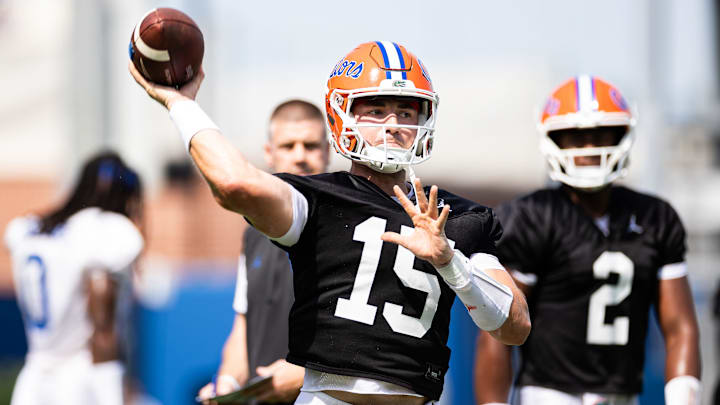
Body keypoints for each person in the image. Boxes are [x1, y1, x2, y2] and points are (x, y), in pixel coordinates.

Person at [130, 41, 530, 405]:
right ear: (342, 114)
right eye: (375, 110)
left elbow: (515, 328)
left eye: (406, 110)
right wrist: (180, 104)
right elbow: (234, 185)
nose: (393, 123)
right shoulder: (319, 198)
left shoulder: (454, 216)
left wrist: (450, 263)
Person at [474, 75, 701, 405]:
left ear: (622, 135)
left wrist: (685, 398)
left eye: (600, 135)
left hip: (623, 396)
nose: (590, 148)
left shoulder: (656, 218)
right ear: (554, 141)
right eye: (576, 137)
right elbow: (498, 328)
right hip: (549, 395)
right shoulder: (533, 216)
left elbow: (680, 326)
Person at [197, 99, 331, 404]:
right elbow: (244, 327)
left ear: (327, 151)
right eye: (288, 146)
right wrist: (227, 384)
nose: (300, 157)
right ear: (269, 154)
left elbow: (369, 340)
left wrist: (304, 375)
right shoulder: (253, 235)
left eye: (310, 146)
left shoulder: (349, 227)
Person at [4, 151, 144, 405]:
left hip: (33, 379)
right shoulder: (102, 231)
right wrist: (111, 394)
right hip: (79, 381)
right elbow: (102, 321)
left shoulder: (29, 229)